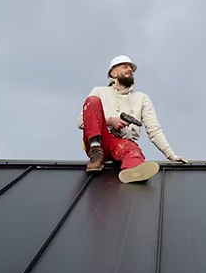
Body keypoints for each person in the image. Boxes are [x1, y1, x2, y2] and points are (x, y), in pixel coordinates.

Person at [78, 55, 189, 183]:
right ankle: (96, 154)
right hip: (101, 142)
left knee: (132, 152)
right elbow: (81, 121)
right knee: (92, 101)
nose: (130, 69)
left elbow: (154, 130)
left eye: (131, 68)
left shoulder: (142, 99)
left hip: (122, 143)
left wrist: (172, 156)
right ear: (113, 73)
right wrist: (110, 120)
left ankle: (133, 172)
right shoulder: (99, 91)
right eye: (125, 67)